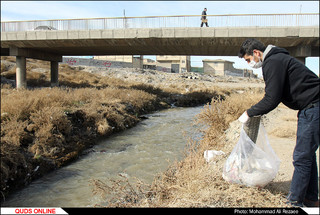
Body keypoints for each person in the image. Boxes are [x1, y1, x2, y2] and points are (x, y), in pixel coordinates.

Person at [237, 38, 319, 207]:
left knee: (301, 157)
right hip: (310, 107)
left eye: (248, 60)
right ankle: (310, 198)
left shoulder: (273, 62)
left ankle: (294, 202)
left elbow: (272, 99)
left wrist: (249, 112)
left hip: (314, 107)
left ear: (256, 53)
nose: (249, 64)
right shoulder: (278, 59)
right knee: (307, 155)